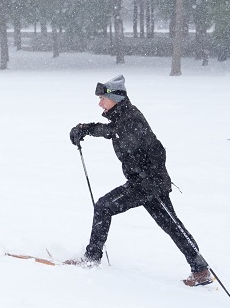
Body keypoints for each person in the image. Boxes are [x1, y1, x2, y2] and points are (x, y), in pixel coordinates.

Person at [67, 74, 213, 286]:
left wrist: (147, 172)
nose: (99, 103)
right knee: (171, 224)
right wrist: (85, 129)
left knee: (104, 206)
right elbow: (112, 132)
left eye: (102, 98)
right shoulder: (122, 117)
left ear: (115, 99)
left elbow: (155, 149)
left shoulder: (130, 119)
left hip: (147, 183)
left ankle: (92, 258)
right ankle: (200, 269)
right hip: (145, 182)